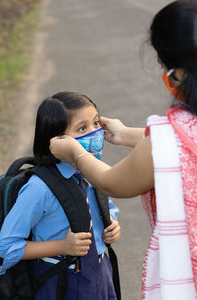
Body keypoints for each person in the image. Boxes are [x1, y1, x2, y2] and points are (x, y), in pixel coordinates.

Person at [49, 1, 197, 300]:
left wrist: (77, 154)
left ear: (180, 72)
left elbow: (112, 181)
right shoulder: (166, 139)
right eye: (82, 128)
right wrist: (124, 133)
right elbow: (183, 143)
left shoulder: (163, 143)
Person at [0, 91, 121, 300]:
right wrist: (62, 246)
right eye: (82, 128)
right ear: (57, 140)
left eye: (96, 123)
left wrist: (113, 225)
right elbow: (7, 246)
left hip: (100, 272)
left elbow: (107, 208)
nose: (94, 133)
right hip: (59, 281)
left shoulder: (94, 172)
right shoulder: (40, 188)